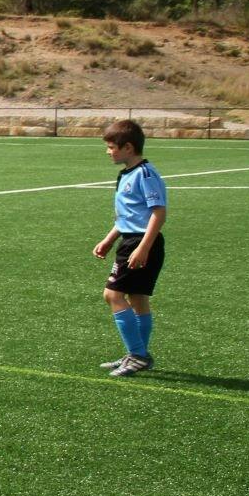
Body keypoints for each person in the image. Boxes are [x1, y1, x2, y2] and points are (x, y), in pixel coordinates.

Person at [93, 118, 167, 377]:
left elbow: (158, 213)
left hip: (140, 243)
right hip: (131, 240)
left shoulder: (145, 174)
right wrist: (109, 238)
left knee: (112, 295)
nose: (108, 151)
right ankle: (137, 354)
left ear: (128, 148)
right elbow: (128, 216)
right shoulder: (127, 173)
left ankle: (138, 354)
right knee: (137, 299)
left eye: (112, 147)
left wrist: (143, 248)